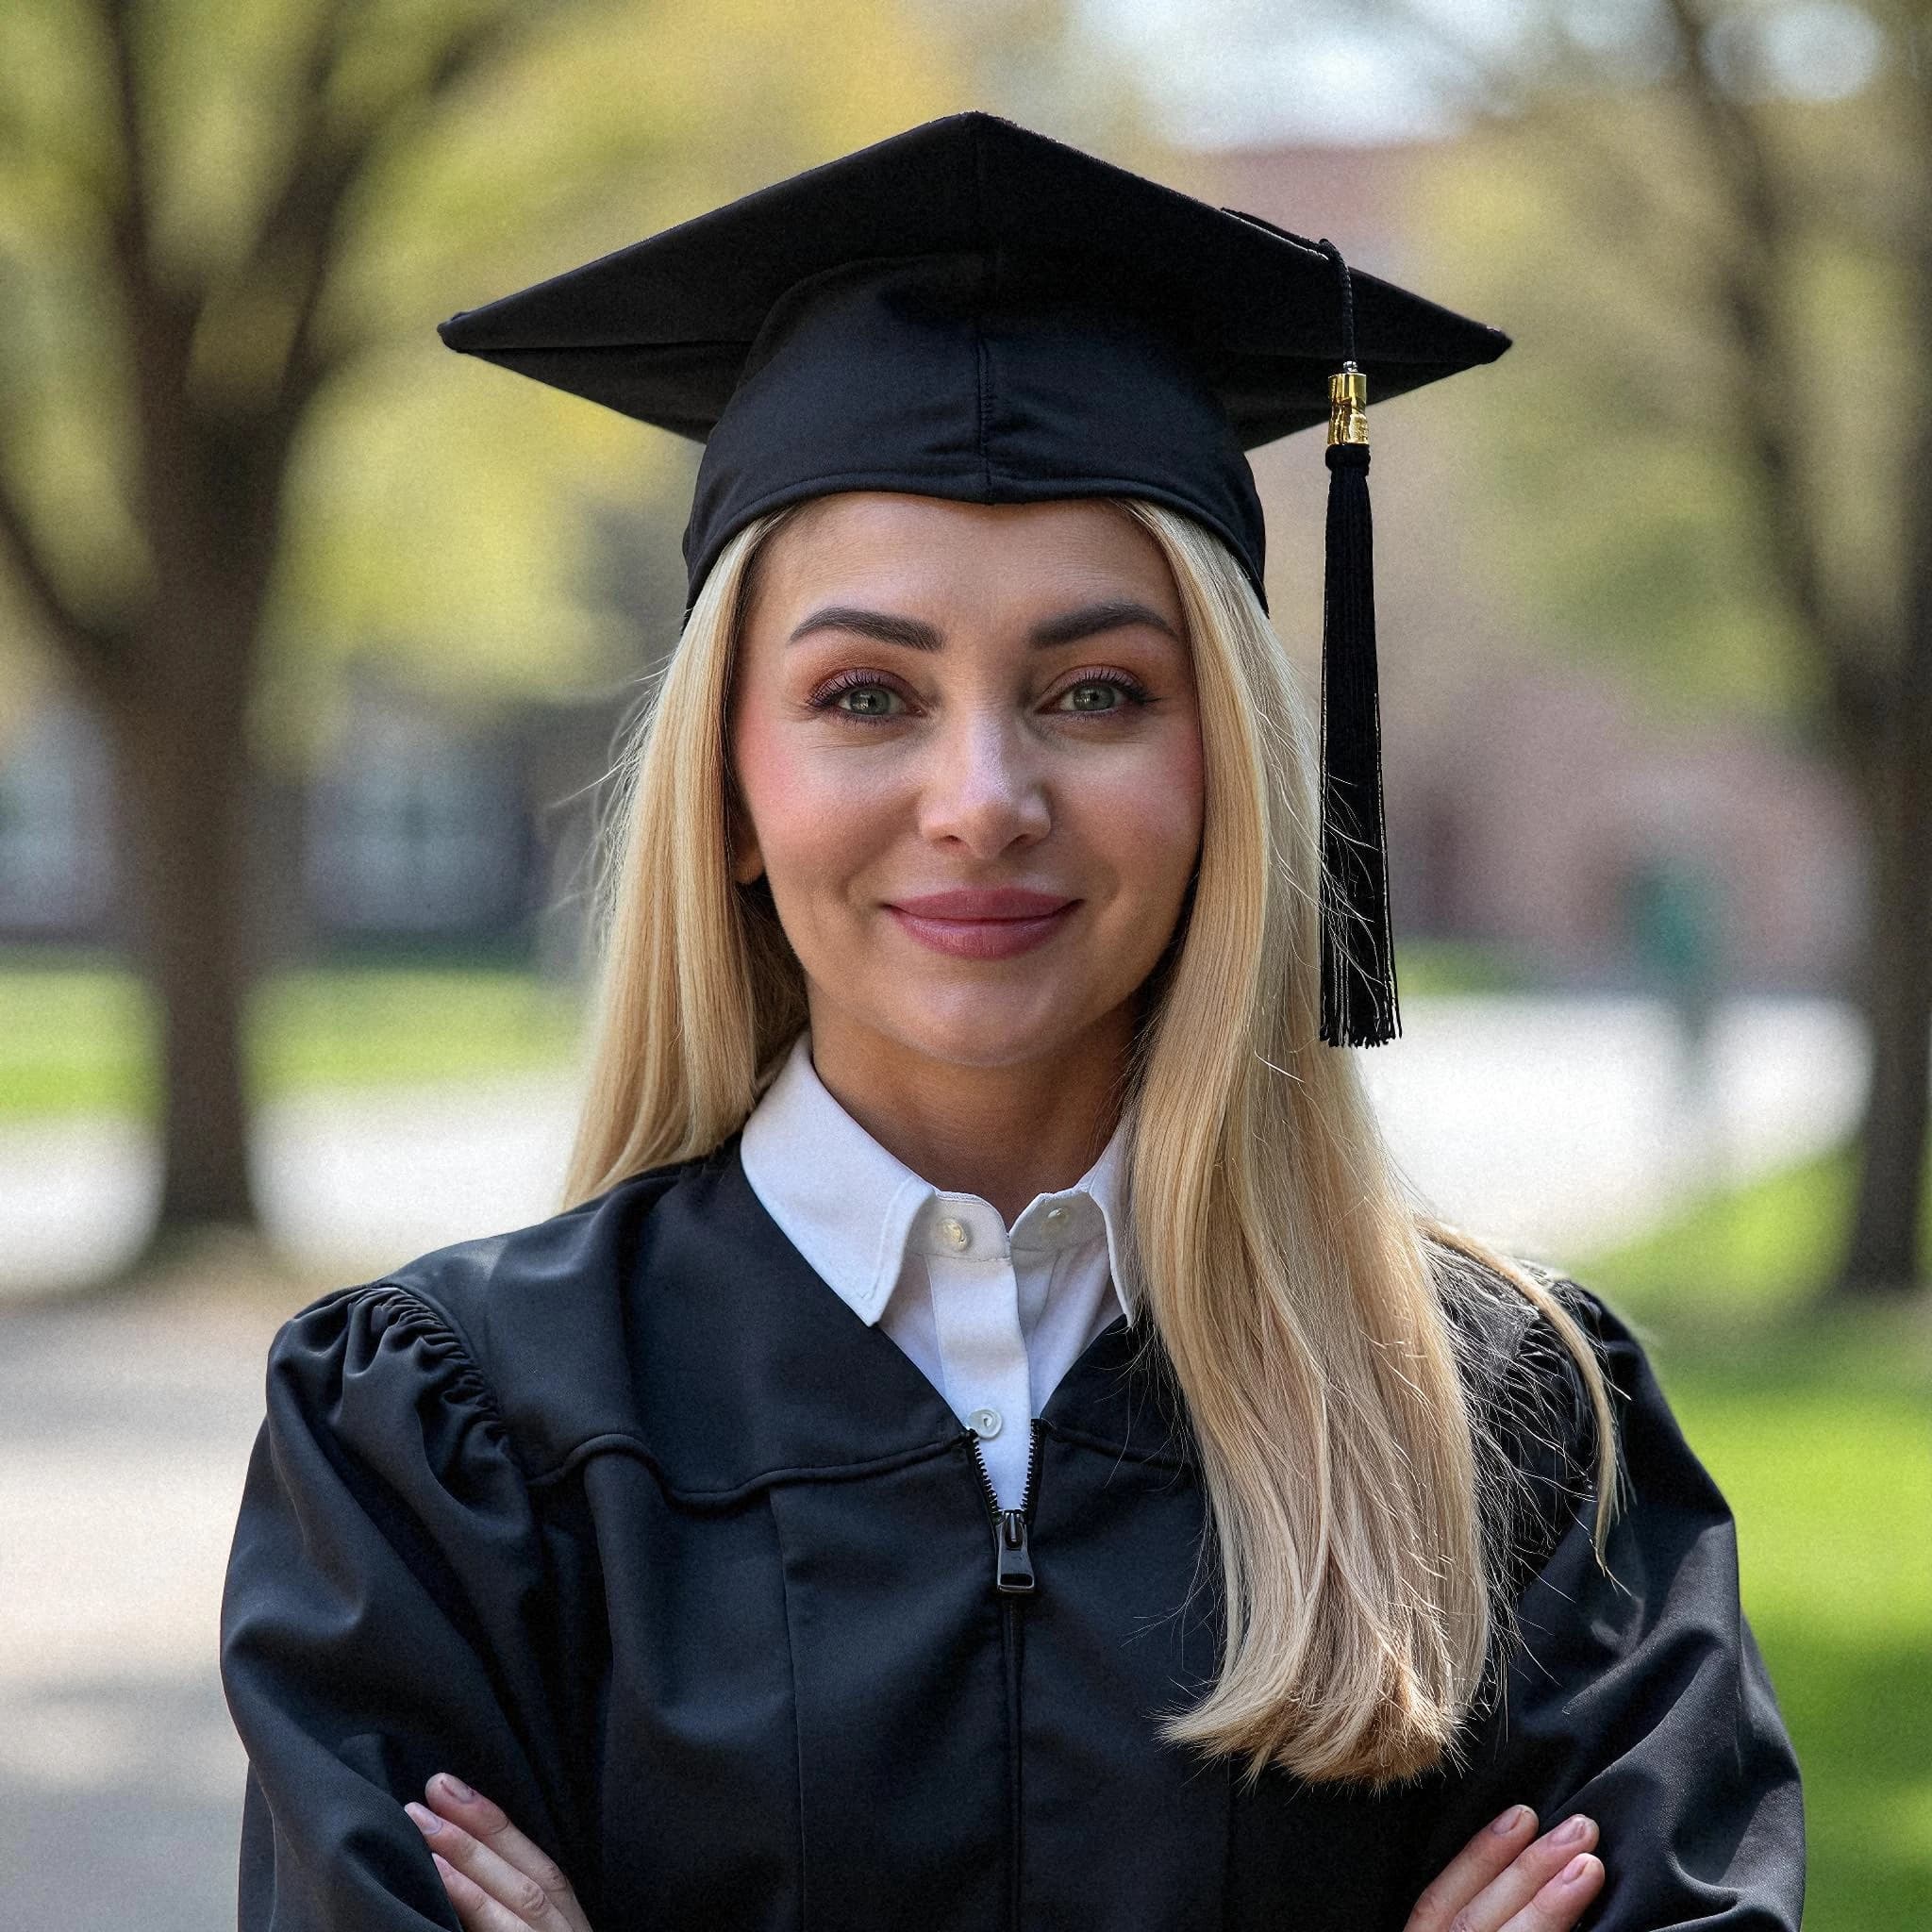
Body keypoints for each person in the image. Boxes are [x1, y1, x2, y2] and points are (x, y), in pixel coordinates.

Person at [218, 114, 1805, 1931]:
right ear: (728, 789)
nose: (983, 796)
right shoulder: (453, 1450)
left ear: (1233, 772)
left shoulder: (1506, 1440)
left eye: (1100, 690)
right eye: (869, 693)